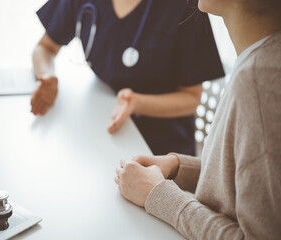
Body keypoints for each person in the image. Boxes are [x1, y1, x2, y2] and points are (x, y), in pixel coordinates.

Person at [115, 0, 281, 239]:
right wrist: (177, 168)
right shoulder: (262, 60)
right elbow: (254, 179)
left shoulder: (259, 79)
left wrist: (158, 194)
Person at [31, 0, 224, 156]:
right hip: (99, 128)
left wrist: (137, 102)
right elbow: (45, 47)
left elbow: (191, 98)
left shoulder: (186, 6)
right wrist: (47, 76)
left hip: (161, 147)